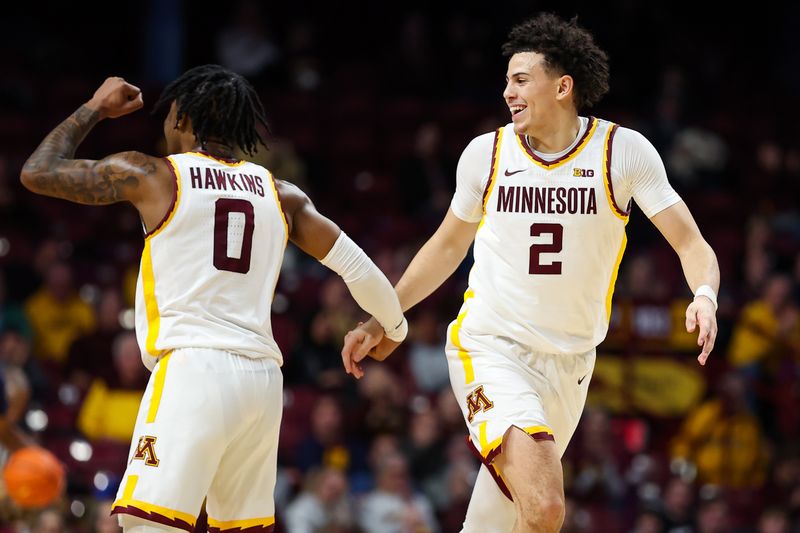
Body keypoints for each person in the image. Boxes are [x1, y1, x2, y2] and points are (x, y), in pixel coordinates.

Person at [343, 13, 719, 533]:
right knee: (545, 506)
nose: (507, 92)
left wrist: (704, 295)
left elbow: (691, 241)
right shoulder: (487, 154)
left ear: (563, 87)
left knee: (507, 522)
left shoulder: (621, 151)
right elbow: (448, 246)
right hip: (492, 347)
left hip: (571, 364)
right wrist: (383, 316)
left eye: (520, 80)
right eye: (506, 81)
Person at [20, 64, 407, 532]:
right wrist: (394, 327)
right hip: (262, 385)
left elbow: (38, 172)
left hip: (194, 371)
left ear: (182, 118)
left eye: (168, 115)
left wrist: (95, 108)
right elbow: (359, 267)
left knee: (149, 526)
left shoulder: (154, 175)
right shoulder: (281, 194)